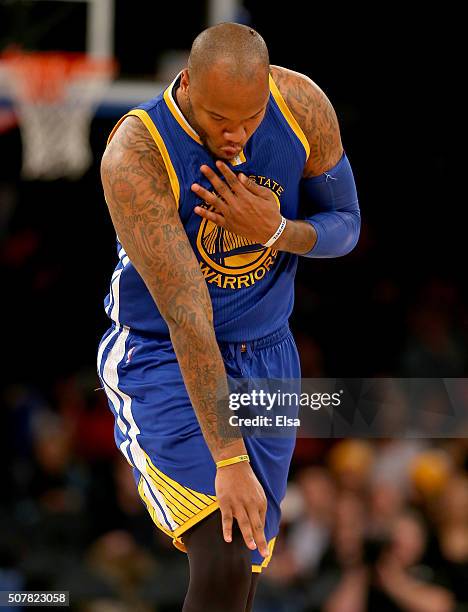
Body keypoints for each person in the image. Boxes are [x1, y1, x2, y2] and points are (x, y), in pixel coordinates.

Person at [98, 22, 360, 612]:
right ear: (186, 83)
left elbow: (346, 225)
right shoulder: (137, 153)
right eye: (220, 120)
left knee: (242, 573)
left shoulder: (301, 106)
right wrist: (230, 457)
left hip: (268, 355)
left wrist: (277, 231)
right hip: (165, 353)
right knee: (223, 553)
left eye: (249, 119)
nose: (237, 138)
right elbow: (188, 316)